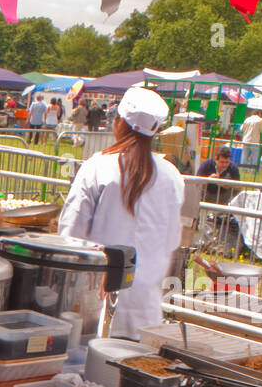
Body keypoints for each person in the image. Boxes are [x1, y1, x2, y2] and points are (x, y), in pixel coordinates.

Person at [58, 86, 184, 339]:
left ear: (119, 123)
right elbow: (172, 242)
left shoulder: (98, 166)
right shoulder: (172, 176)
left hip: (95, 307)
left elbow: (71, 234)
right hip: (145, 312)